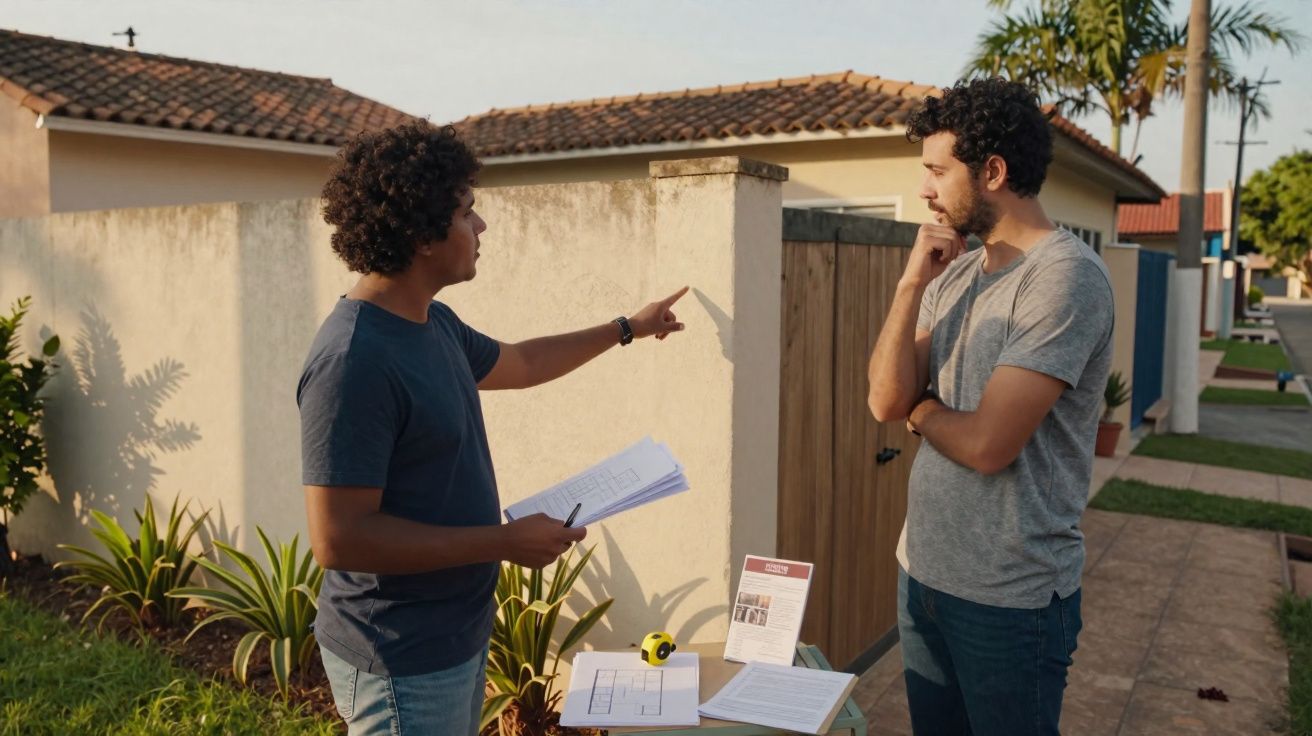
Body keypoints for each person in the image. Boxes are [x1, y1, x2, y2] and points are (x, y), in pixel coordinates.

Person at [298, 119, 688, 736]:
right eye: (466, 211)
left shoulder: (435, 324)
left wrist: (628, 328)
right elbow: (339, 540)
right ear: (423, 233)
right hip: (401, 656)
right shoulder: (355, 362)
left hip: (453, 632)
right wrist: (503, 543)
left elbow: (525, 363)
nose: (481, 226)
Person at [866, 78, 1115, 735]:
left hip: (1011, 600)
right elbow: (886, 397)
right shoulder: (954, 273)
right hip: (923, 574)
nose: (925, 189)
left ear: (993, 172)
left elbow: (986, 446)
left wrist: (922, 416)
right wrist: (911, 281)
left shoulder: (1063, 279)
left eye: (937, 171)